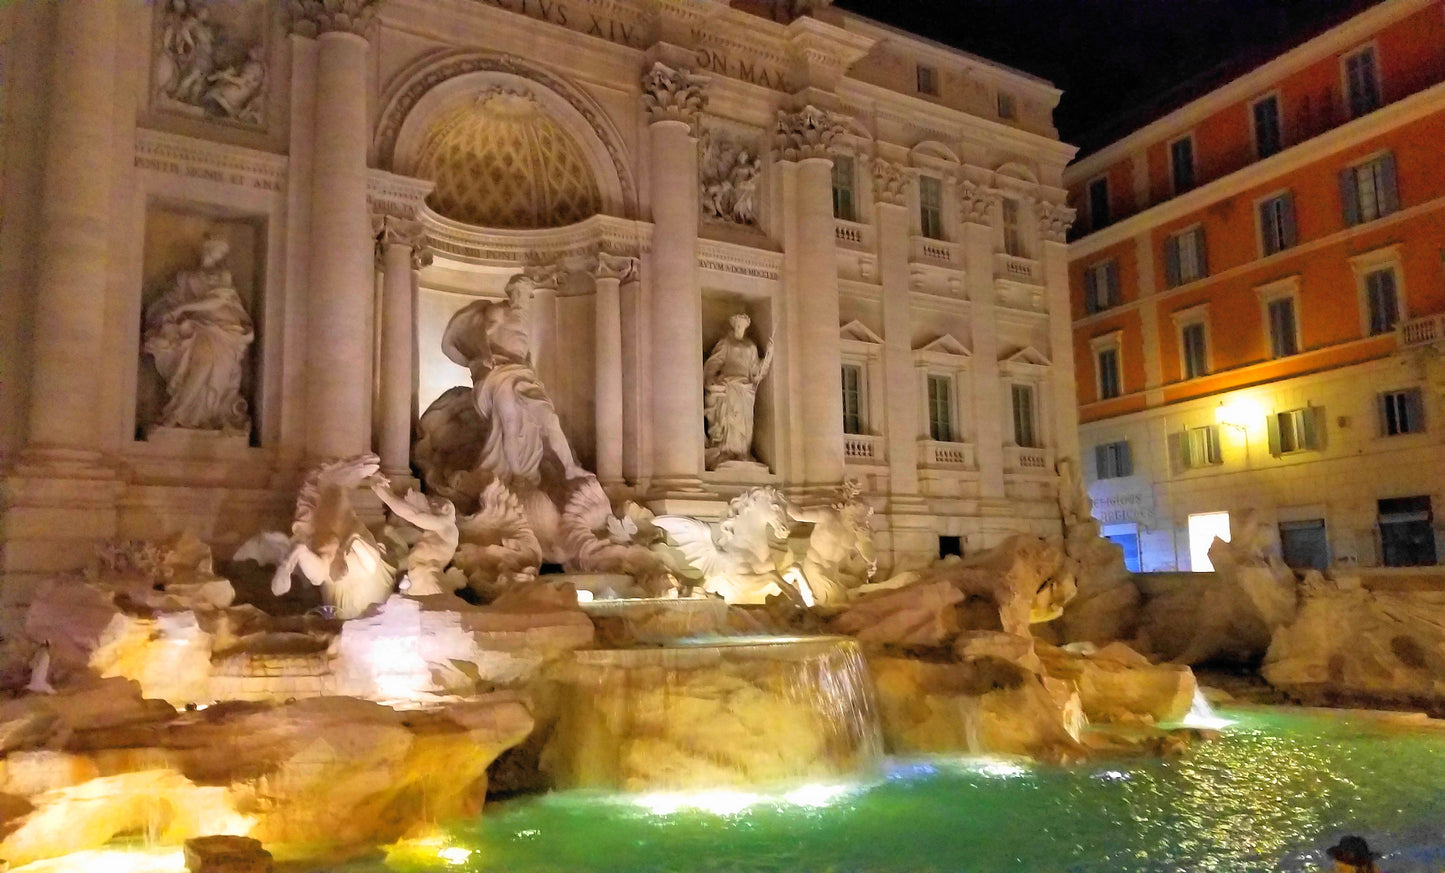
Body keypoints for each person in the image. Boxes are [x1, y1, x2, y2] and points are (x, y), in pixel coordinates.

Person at [440, 273, 587, 487]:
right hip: (499, 374)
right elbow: (482, 335)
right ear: (511, 293)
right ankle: (517, 476)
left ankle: (570, 468)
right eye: (519, 293)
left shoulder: (526, 318)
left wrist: (532, 371)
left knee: (550, 419)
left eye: (526, 294)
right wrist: (482, 358)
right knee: (510, 424)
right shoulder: (499, 311)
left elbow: (522, 350)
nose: (522, 298)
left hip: (523, 375)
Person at [143, 234, 254, 434]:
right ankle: (179, 413)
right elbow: (169, 301)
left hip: (225, 331)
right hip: (197, 329)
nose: (219, 257)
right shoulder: (186, 278)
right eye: (217, 251)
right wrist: (170, 315)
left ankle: (206, 415)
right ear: (208, 250)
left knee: (217, 370)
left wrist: (182, 308)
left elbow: (218, 302)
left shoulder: (223, 276)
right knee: (203, 362)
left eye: (222, 253)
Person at [703, 312, 773, 468]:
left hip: (745, 389)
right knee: (728, 420)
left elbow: (756, 371)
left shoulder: (751, 347)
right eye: (738, 325)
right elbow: (714, 363)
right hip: (729, 387)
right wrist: (710, 380)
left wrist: (769, 355)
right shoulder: (726, 343)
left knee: (743, 424)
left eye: (742, 325)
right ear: (733, 325)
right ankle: (726, 451)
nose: (740, 328)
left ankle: (742, 452)